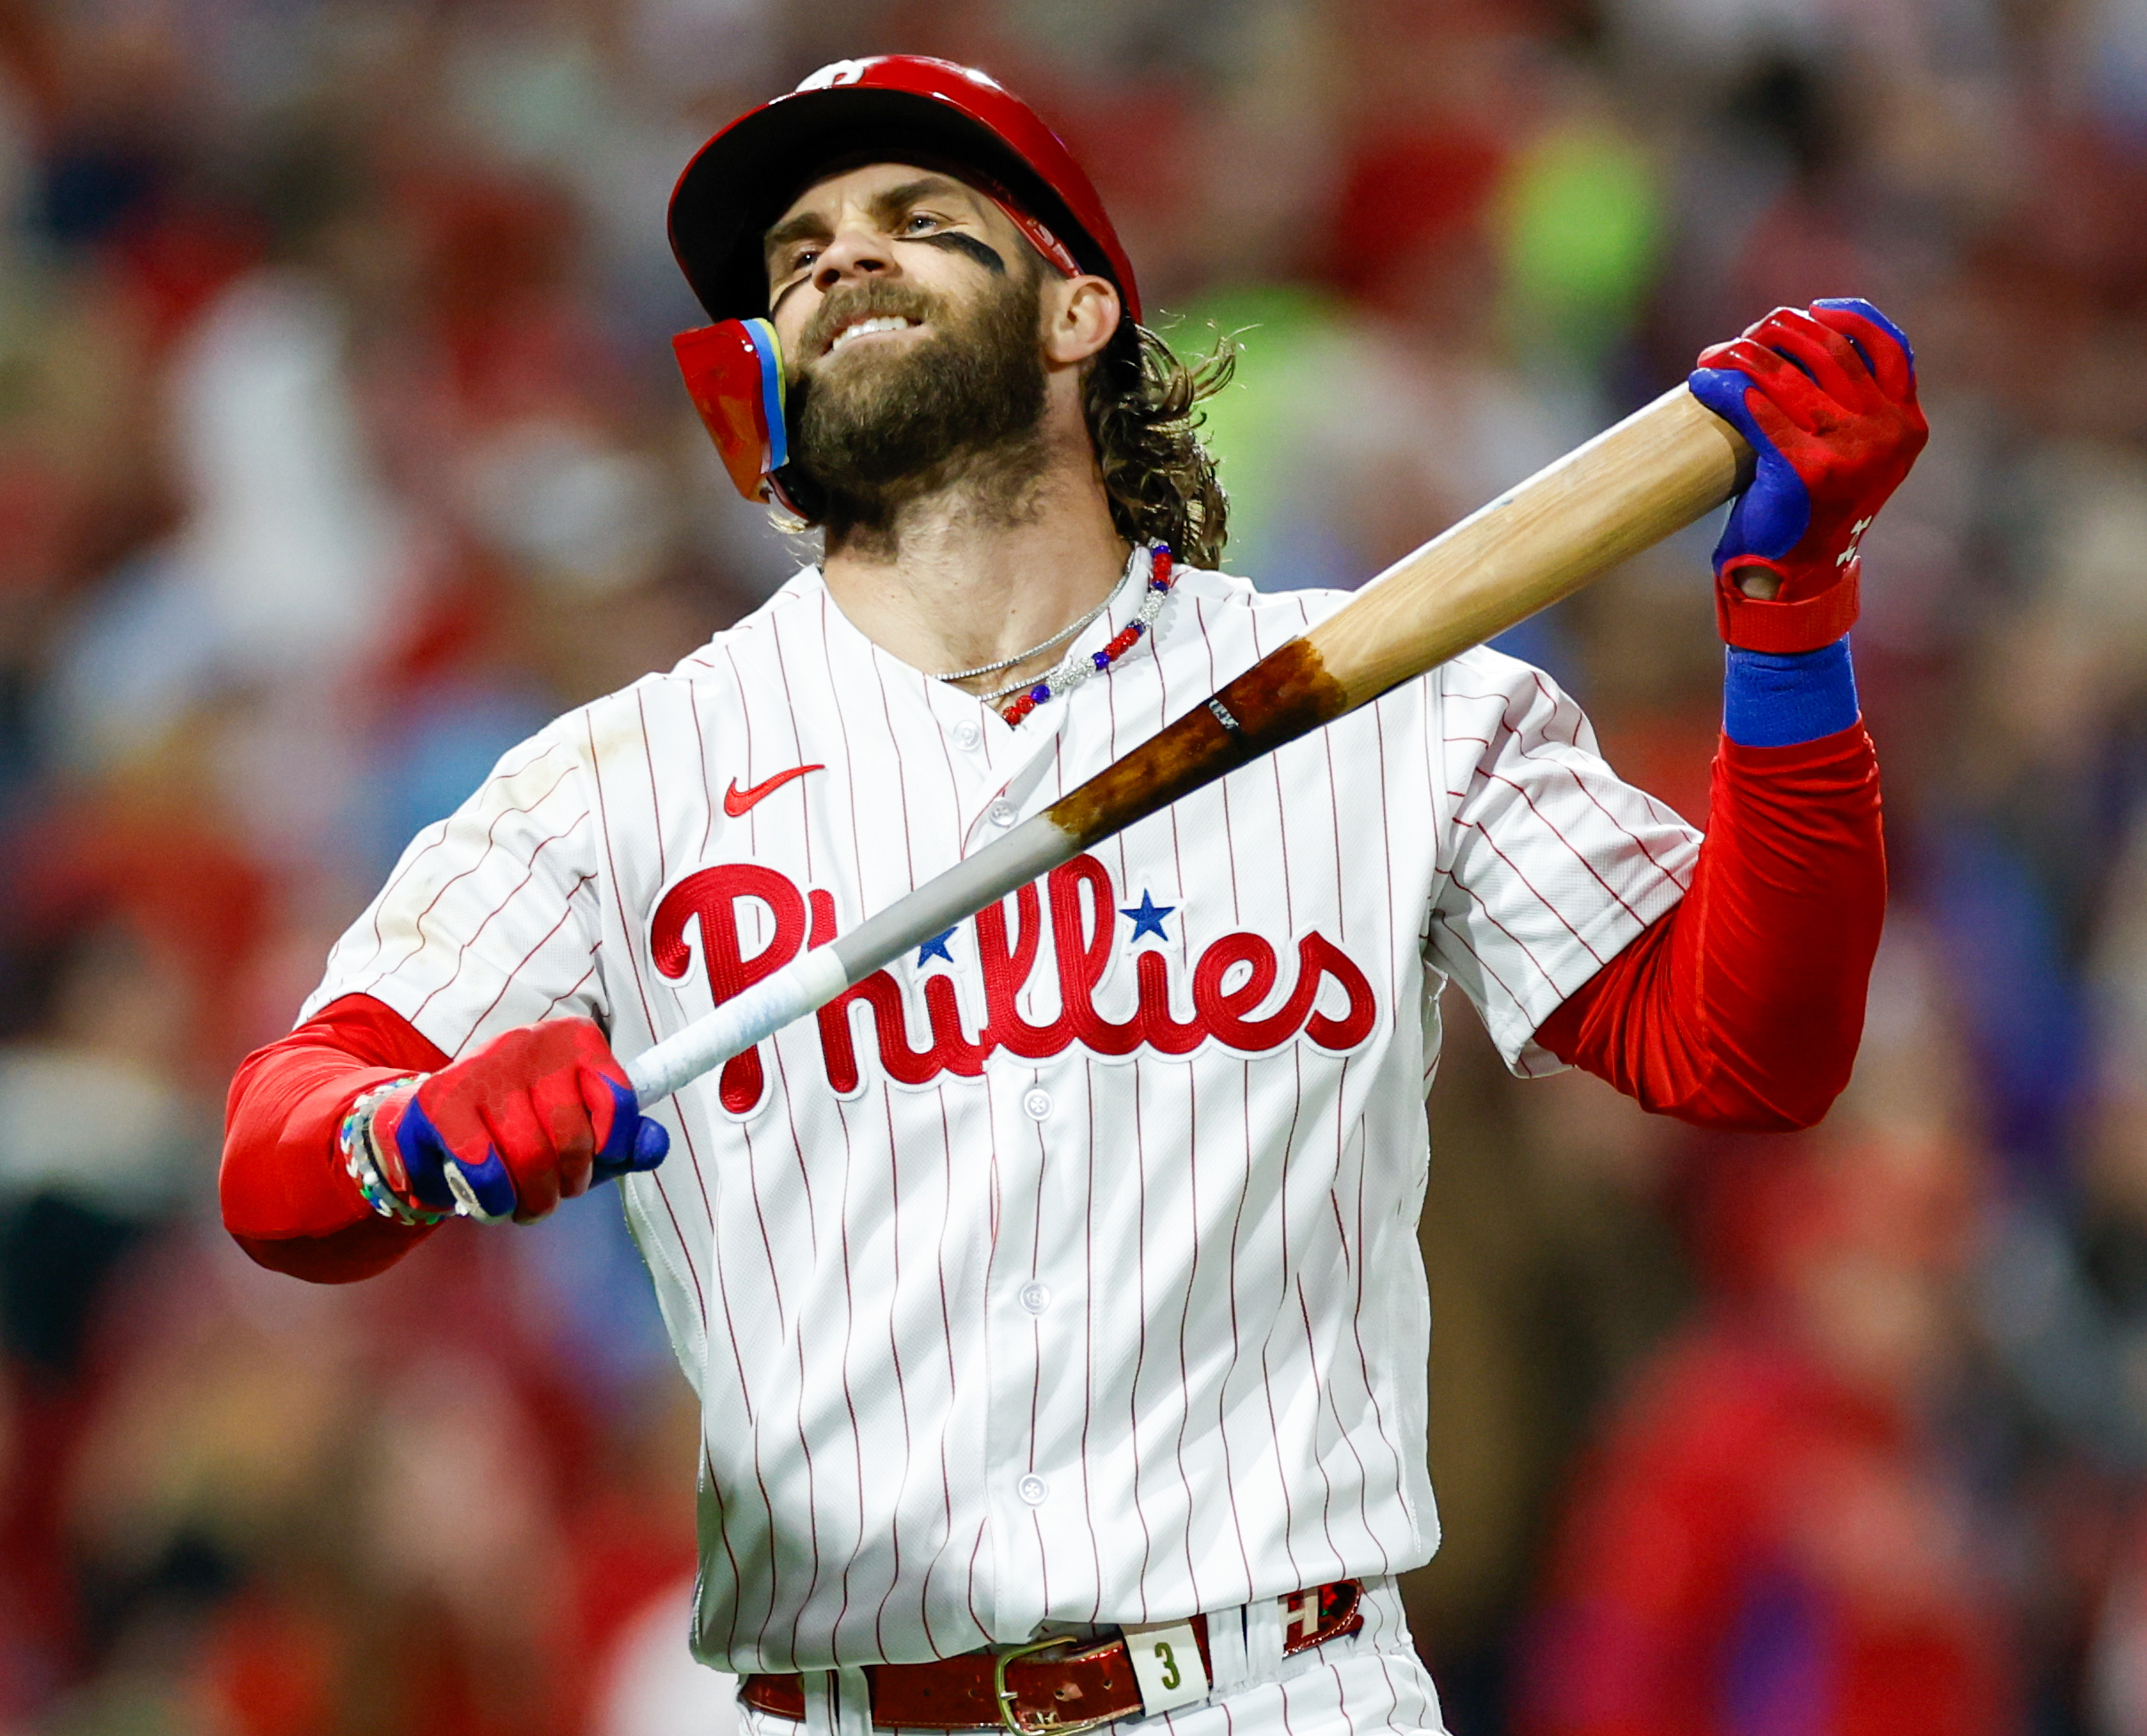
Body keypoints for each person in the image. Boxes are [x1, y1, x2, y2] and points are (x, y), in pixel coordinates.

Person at [220, 56, 1921, 1734]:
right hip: (839, 1703)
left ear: (1077, 310)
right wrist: (415, 1132)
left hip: (1279, 1683)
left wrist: (1787, 613)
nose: (838, 257)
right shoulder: (613, 781)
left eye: (915, 216)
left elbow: (1748, 1049)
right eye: (797, 248)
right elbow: (279, 1148)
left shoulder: (1386, 699)